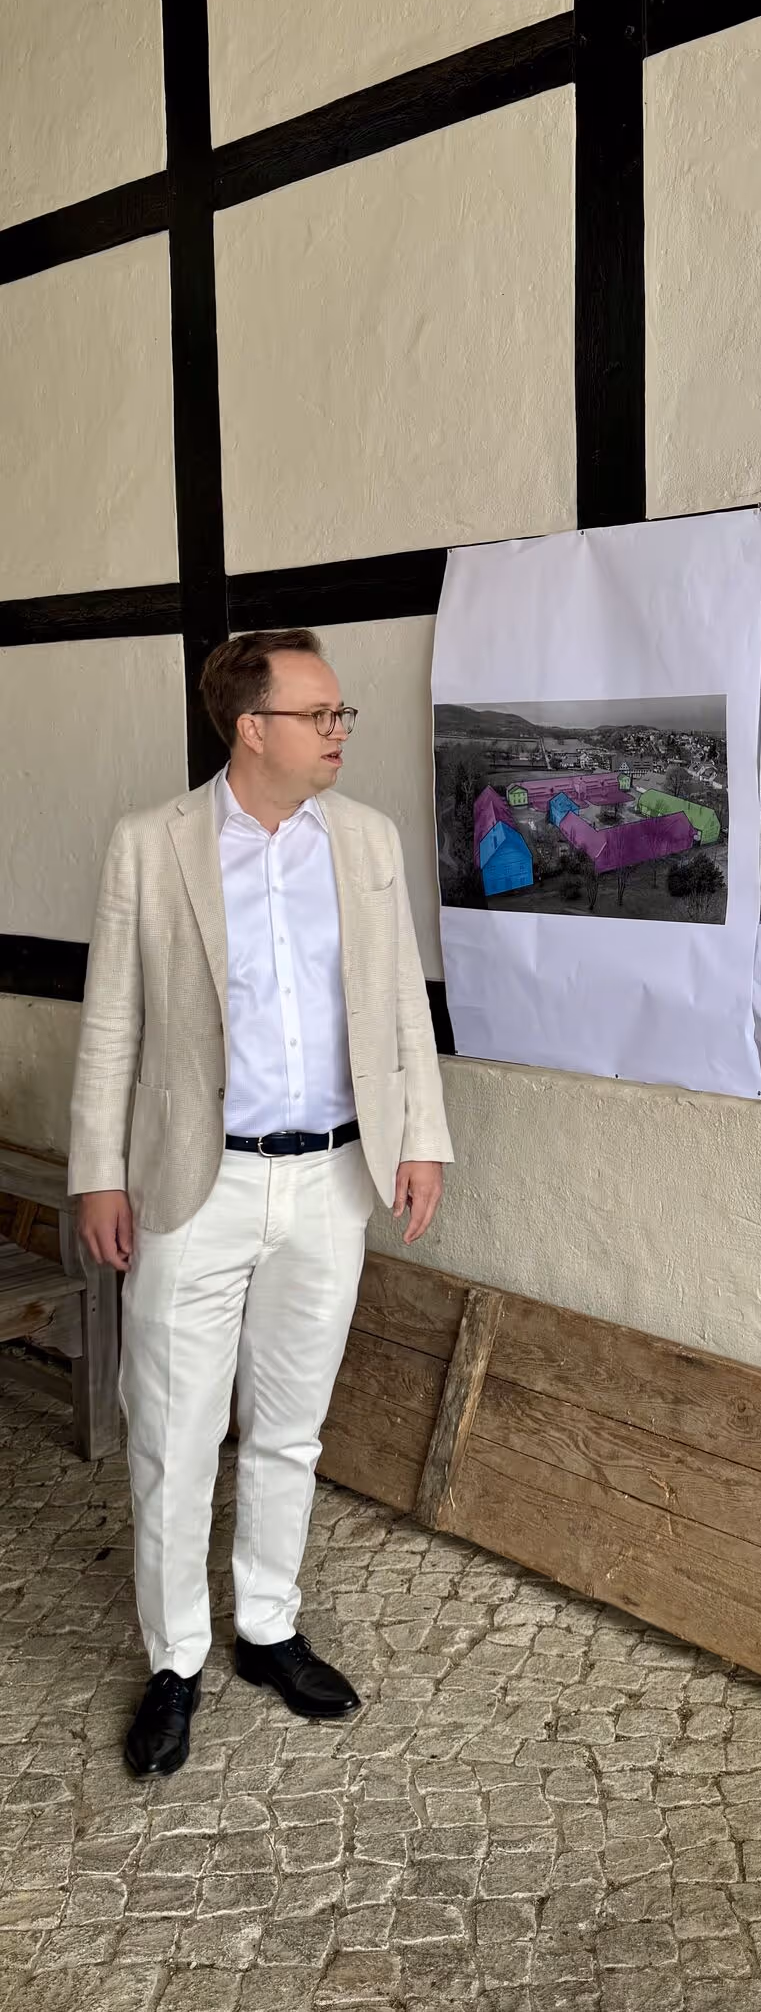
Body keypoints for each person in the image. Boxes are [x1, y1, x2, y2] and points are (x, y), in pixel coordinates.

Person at [68, 628, 453, 1777]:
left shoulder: (367, 840)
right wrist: (98, 1170)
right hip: (196, 1181)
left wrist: (420, 1140)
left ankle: (268, 1627)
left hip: (332, 1177)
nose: (340, 731)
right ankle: (175, 1658)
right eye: (319, 714)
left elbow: (399, 1002)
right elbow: (112, 1019)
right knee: (174, 1433)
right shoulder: (152, 844)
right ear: (252, 728)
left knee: (290, 1424)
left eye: (340, 715)